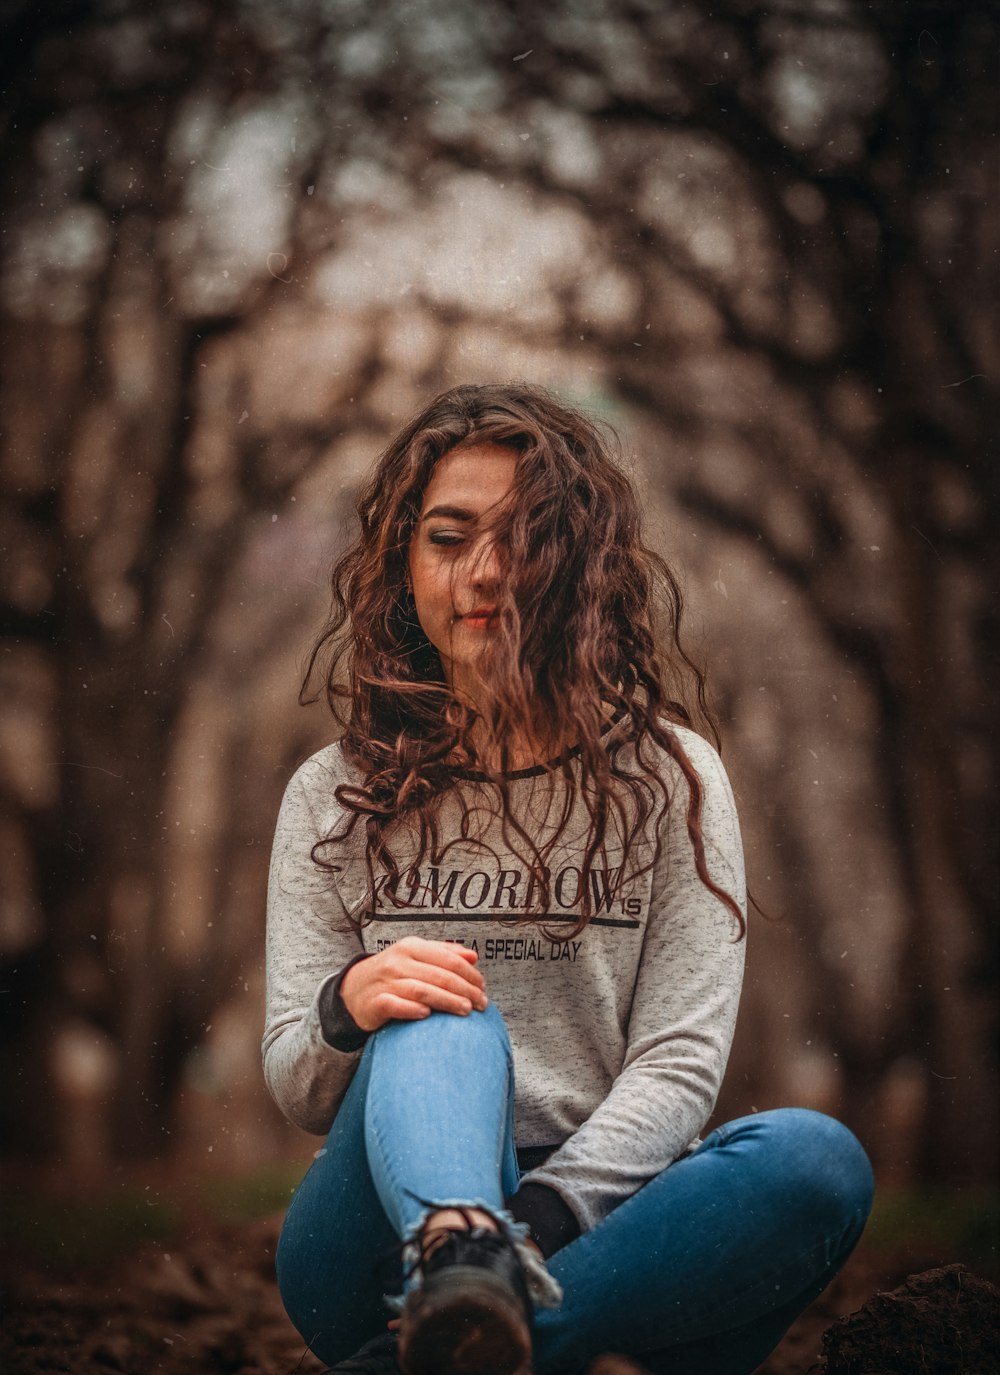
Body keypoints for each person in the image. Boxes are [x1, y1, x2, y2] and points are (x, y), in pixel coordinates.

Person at [263, 384, 874, 1375]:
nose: (487, 571)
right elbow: (296, 1082)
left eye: (526, 538)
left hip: (607, 1226)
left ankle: (451, 1337)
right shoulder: (334, 792)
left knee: (816, 1160)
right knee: (439, 1001)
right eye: (449, 537)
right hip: (371, 1242)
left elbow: (677, 1067)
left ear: (580, 567)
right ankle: (465, 1278)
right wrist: (346, 1005)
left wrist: (526, 1238)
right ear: (402, 565)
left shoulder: (667, 779)